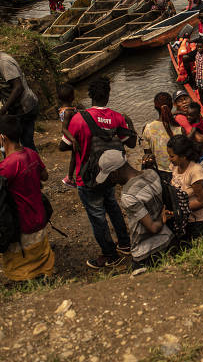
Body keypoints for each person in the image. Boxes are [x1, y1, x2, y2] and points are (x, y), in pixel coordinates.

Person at [0, 115, 54, 281]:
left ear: (2, 137)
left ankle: (28, 278)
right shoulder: (32, 154)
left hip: (23, 225)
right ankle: (44, 271)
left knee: (22, 265)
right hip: (40, 218)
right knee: (41, 255)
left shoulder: (6, 167)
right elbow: (45, 176)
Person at [67, 76, 133, 269]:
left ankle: (110, 254)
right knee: (112, 205)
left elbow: (65, 145)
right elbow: (127, 141)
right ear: (108, 94)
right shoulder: (116, 116)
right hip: (110, 173)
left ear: (90, 96)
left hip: (87, 176)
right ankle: (125, 243)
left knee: (97, 215)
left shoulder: (79, 119)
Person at [97, 149, 174, 276]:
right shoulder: (151, 173)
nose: (110, 181)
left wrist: (162, 219)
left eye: (109, 176)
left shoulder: (128, 195)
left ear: (115, 173)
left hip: (145, 251)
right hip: (167, 240)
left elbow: (153, 228)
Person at [0, 33, 40, 151]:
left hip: (25, 107)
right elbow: (2, 88)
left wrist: (3, 110)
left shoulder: (4, 62)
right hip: (16, 108)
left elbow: (18, 88)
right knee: (17, 142)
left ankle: (35, 166)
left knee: (26, 142)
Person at [167, 135, 203, 241]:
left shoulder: (195, 171)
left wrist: (177, 210)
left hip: (198, 222)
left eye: (172, 156)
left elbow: (202, 201)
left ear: (183, 156)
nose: (169, 159)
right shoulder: (175, 166)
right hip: (185, 218)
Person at [141, 92, 183, 186]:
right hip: (178, 172)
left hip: (159, 173)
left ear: (155, 107)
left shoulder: (147, 128)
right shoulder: (179, 128)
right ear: (172, 106)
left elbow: (148, 154)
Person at [57, 83, 78, 187]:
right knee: (75, 156)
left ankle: (69, 177)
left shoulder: (64, 109)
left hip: (68, 137)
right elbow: (64, 129)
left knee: (75, 156)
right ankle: (69, 178)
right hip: (70, 138)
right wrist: (73, 140)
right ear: (72, 97)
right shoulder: (68, 112)